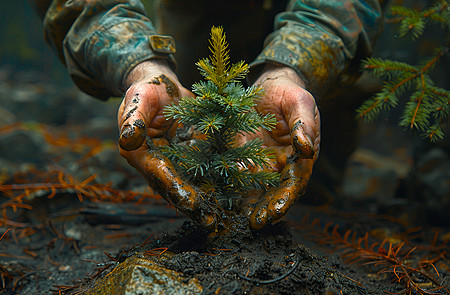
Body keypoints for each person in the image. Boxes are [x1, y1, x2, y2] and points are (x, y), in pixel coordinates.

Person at [29, 0, 384, 230]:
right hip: (203, 10)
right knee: (193, 150)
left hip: (323, 17)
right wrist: (140, 64)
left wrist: (293, 68)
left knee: (303, 163)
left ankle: (317, 215)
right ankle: (211, 225)